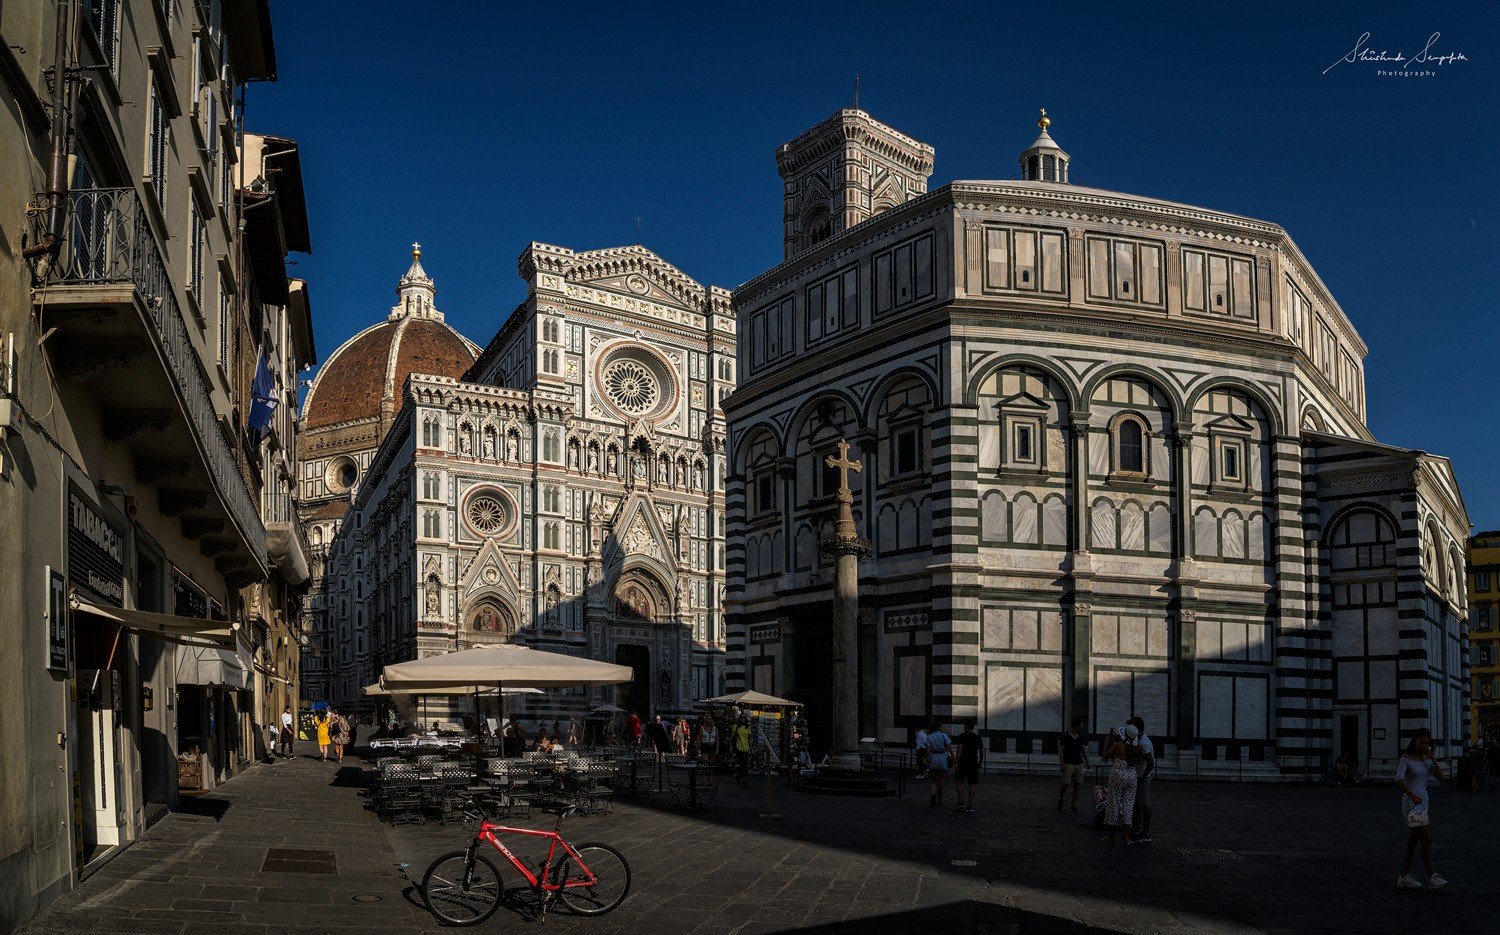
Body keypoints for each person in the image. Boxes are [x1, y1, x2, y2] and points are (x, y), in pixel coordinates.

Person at [1395, 727, 1447, 890]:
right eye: (1421, 742)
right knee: (1426, 839)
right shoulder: (1406, 757)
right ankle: (1432, 878)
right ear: (1415, 741)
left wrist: (1432, 757)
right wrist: (1412, 795)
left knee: (1413, 841)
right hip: (1412, 804)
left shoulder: (1427, 758)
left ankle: (1404, 876)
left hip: (1424, 802)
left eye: (1427, 743)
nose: (1424, 745)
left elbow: (1440, 777)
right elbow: (1398, 780)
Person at [1102, 725, 1138, 845]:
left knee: (1114, 803)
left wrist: (1108, 739)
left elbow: (1105, 756)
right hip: (1132, 776)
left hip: (1118, 776)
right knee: (1128, 805)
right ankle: (1126, 837)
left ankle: (1111, 836)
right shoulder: (1136, 748)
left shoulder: (1119, 745)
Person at [1127, 715, 1155, 843]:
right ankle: (1136, 830)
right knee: (1138, 805)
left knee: (1144, 804)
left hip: (1142, 778)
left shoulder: (1143, 743)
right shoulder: (1142, 740)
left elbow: (1150, 762)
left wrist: (1142, 777)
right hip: (1139, 777)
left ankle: (1146, 832)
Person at [1057, 717, 1089, 812]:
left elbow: (1082, 749)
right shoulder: (1065, 736)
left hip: (1078, 763)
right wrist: (1062, 763)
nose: (1083, 726)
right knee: (1065, 784)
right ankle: (1061, 798)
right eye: (1081, 724)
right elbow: (1061, 750)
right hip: (1068, 763)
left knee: (1077, 785)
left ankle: (1073, 805)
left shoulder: (1080, 736)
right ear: (1077, 726)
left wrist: (1087, 761)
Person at [952, 720, 982, 813]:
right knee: (972, 784)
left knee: (959, 781)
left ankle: (960, 802)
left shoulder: (962, 736)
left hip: (962, 762)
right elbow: (981, 752)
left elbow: (959, 749)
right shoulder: (977, 737)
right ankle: (970, 805)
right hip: (973, 763)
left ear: (966, 726)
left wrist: (956, 762)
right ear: (972, 727)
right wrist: (980, 763)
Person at [923, 721, 952, 807]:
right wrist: (954, 758)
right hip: (942, 757)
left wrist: (928, 761)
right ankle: (940, 800)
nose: (942, 728)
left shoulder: (929, 737)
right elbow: (949, 748)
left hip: (933, 757)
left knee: (933, 779)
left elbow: (927, 751)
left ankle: (933, 793)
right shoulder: (944, 736)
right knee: (941, 780)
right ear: (938, 728)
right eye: (941, 727)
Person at [731, 715, 752, 783]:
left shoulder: (748, 728)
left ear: (746, 719)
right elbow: (731, 737)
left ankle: (737, 775)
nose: (742, 718)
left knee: (744, 764)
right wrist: (731, 747)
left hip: (746, 748)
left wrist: (751, 749)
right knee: (741, 763)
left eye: (744, 717)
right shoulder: (736, 727)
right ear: (739, 718)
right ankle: (743, 778)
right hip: (738, 747)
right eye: (741, 717)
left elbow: (749, 739)